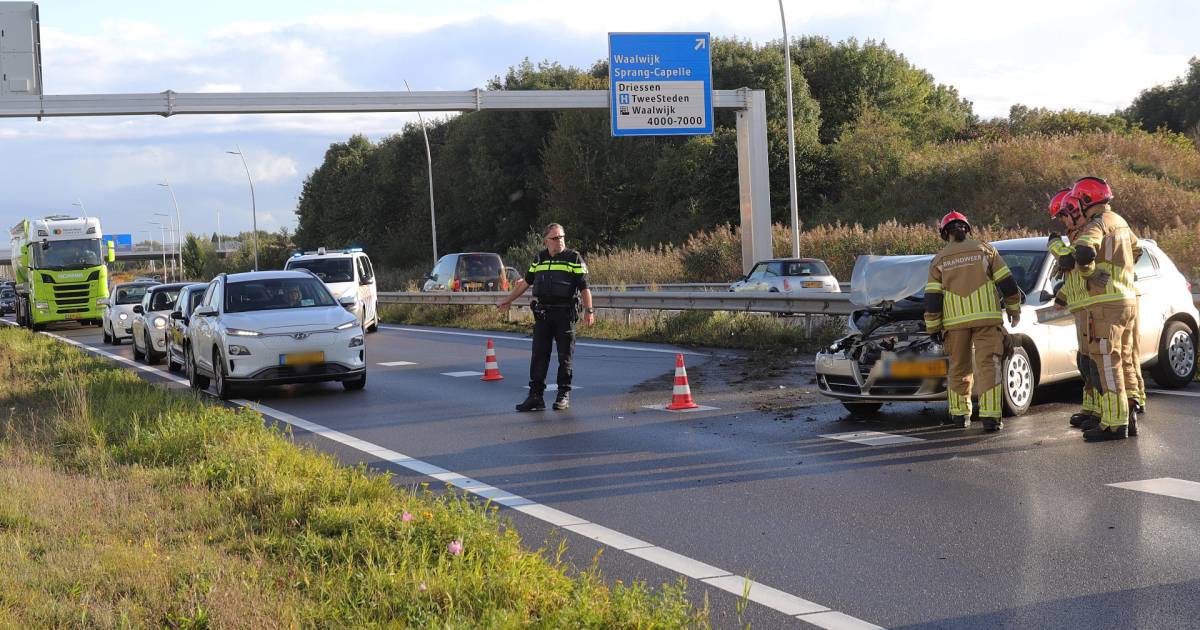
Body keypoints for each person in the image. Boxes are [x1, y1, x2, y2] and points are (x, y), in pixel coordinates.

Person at [1049, 176, 1138, 441]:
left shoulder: (1097, 224)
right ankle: (1123, 418)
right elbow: (1137, 250)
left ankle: (1114, 424)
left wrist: (1089, 273)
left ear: (1086, 202)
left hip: (1103, 304)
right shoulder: (1120, 222)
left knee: (1106, 366)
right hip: (1122, 299)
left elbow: (1083, 253)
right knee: (1116, 362)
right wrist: (1121, 275)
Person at [924, 210, 1021, 431]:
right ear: (967, 229)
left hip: (955, 323)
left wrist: (932, 327)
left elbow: (932, 298)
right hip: (987, 319)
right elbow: (1007, 282)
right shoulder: (985, 250)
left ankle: (960, 416)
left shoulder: (939, 260)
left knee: (959, 367)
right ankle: (991, 417)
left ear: (945, 233)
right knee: (989, 366)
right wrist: (1014, 310)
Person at [497, 223, 595, 411]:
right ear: (546, 241)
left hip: (564, 314)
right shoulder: (540, 258)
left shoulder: (573, 258)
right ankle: (535, 397)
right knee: (539, 356)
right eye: (556, 238)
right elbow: (526, 282)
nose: (560, 241)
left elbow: (584, 287)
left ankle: (563, 395)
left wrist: (589, 311)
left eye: (562, 237)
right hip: (543, 314)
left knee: (565, 357)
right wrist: (507, 300)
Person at [1049, 188, 1101, 429]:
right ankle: (1091, 409)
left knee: (1096, 363)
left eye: (1062, 216)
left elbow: (1069, 260)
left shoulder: (1085, 233)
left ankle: (1104, 412)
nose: (1061, 222)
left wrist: (1055, 247)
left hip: (1093, 305)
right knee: (1086, 361)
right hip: (1081, 306)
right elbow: (1073, 276)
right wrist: (1062, 295)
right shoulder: (1074, 234)